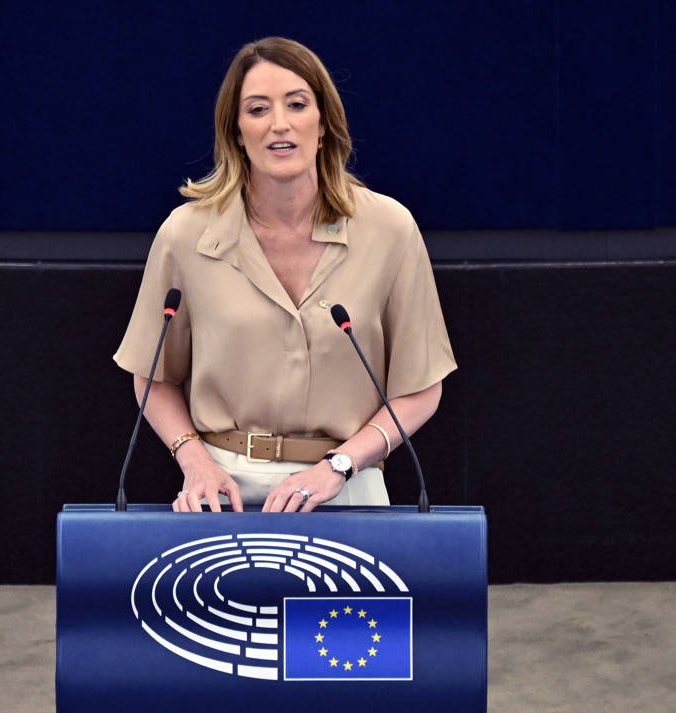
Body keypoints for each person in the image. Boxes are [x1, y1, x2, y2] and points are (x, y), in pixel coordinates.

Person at [114, 37, 455, 513]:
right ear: (236, 131)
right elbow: (153, 377)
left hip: (346, 486)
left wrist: (339, 466)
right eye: (258, 109)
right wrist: (194, 460)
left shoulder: (389, 229)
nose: (279, 123)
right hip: (221, 491)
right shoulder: (186, 234)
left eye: (297, 104)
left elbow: (420, 387)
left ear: (324, 123)